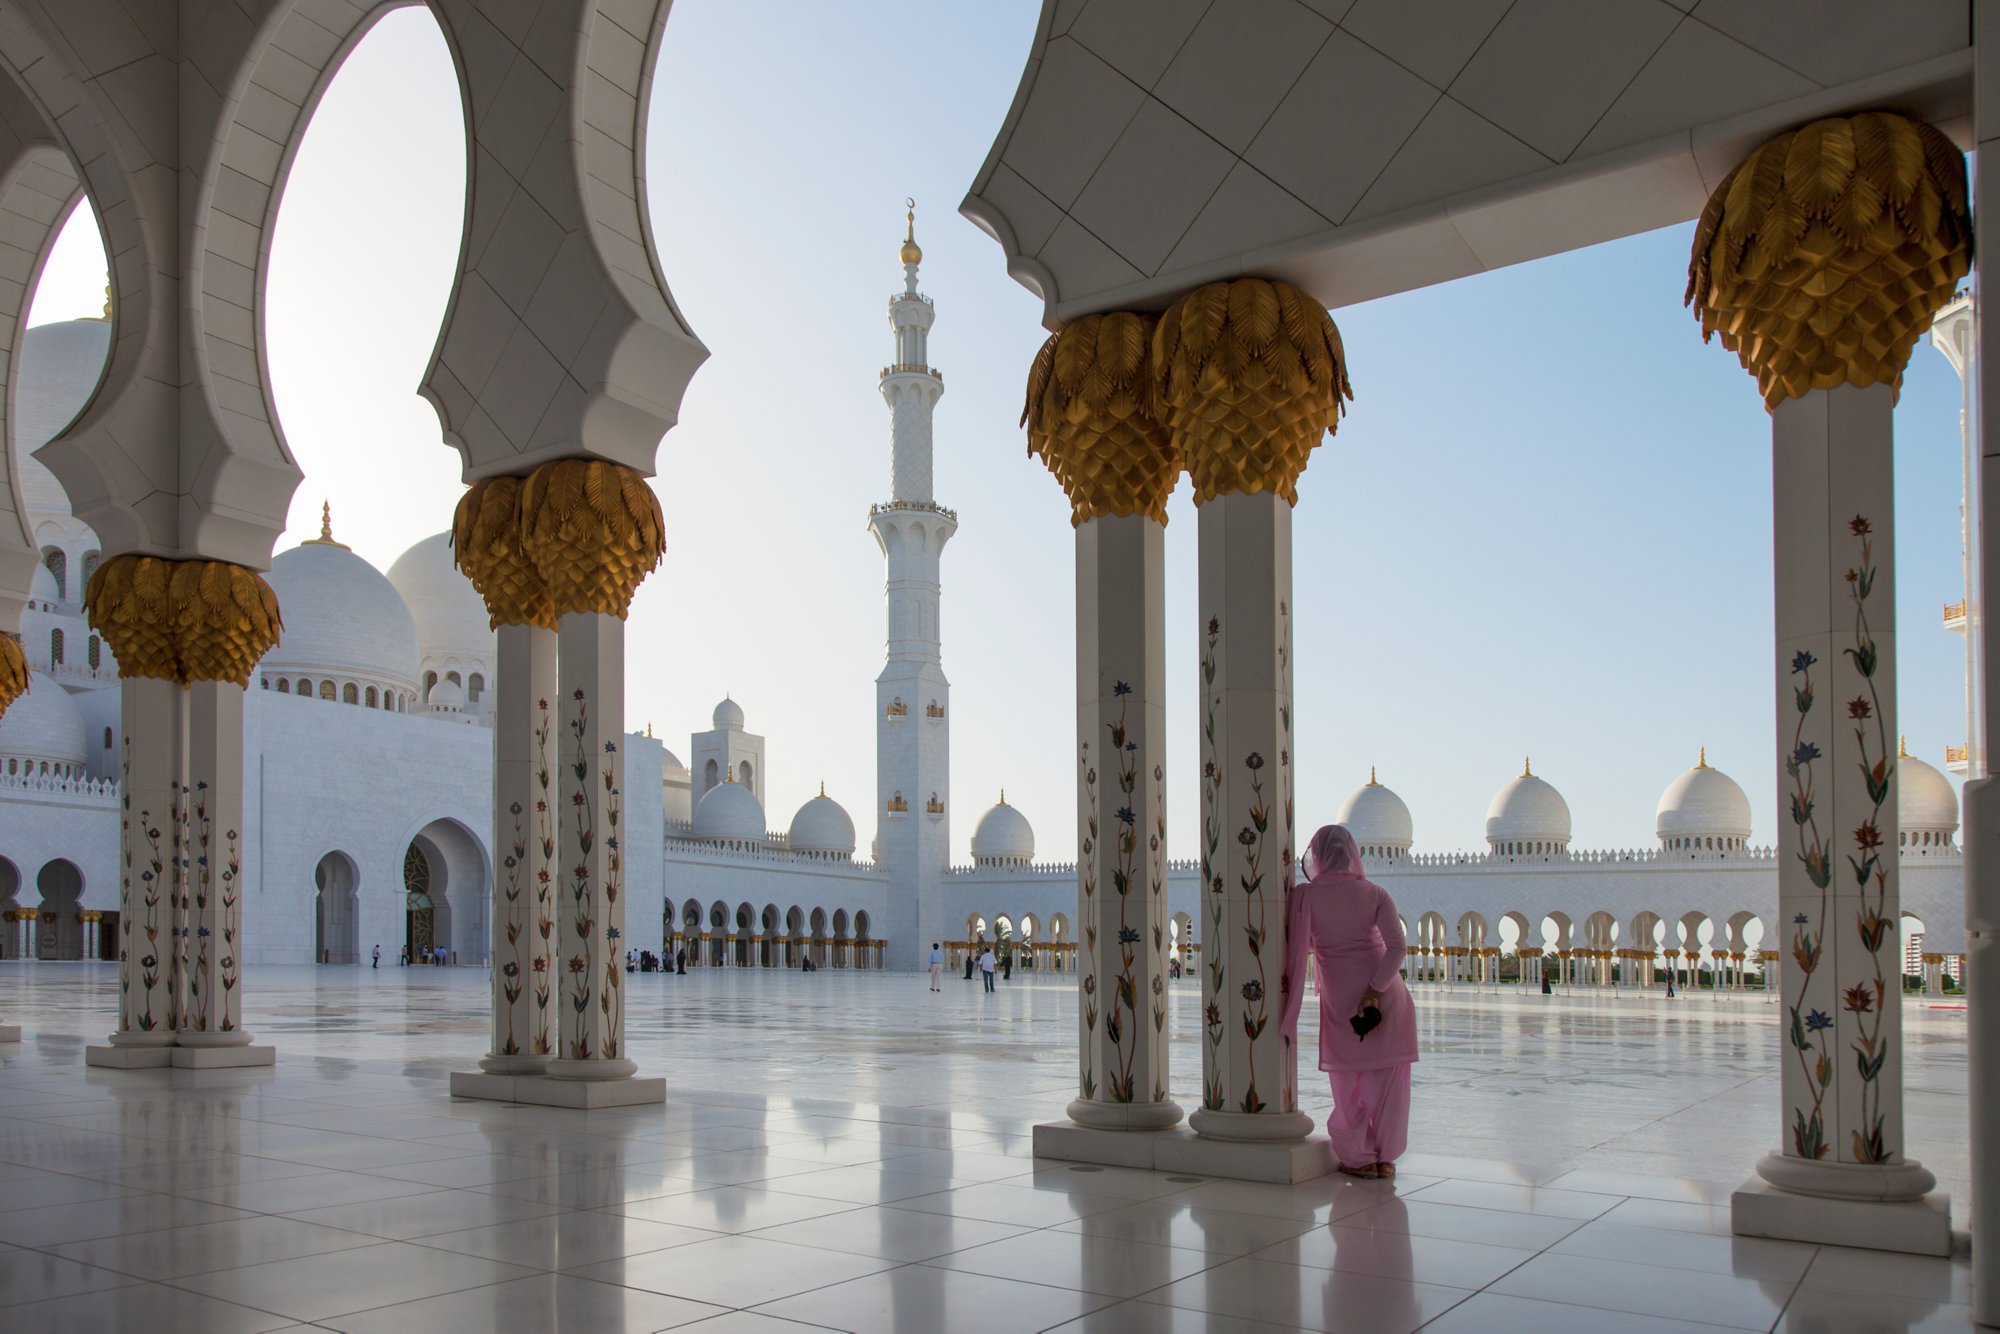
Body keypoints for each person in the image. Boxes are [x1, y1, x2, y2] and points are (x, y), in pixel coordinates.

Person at [1279, 824, 1419, 1180]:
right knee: (1387, 1083)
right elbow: (1397, 949)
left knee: (1346, 1084)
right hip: (1386, 998)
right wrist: (1374, 990)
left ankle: (1358, 1157)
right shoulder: (1374, 893)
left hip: (1342, 1002)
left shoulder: (1305, 896)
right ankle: (1385, 1158)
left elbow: (1300, 944)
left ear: (1318, 856)